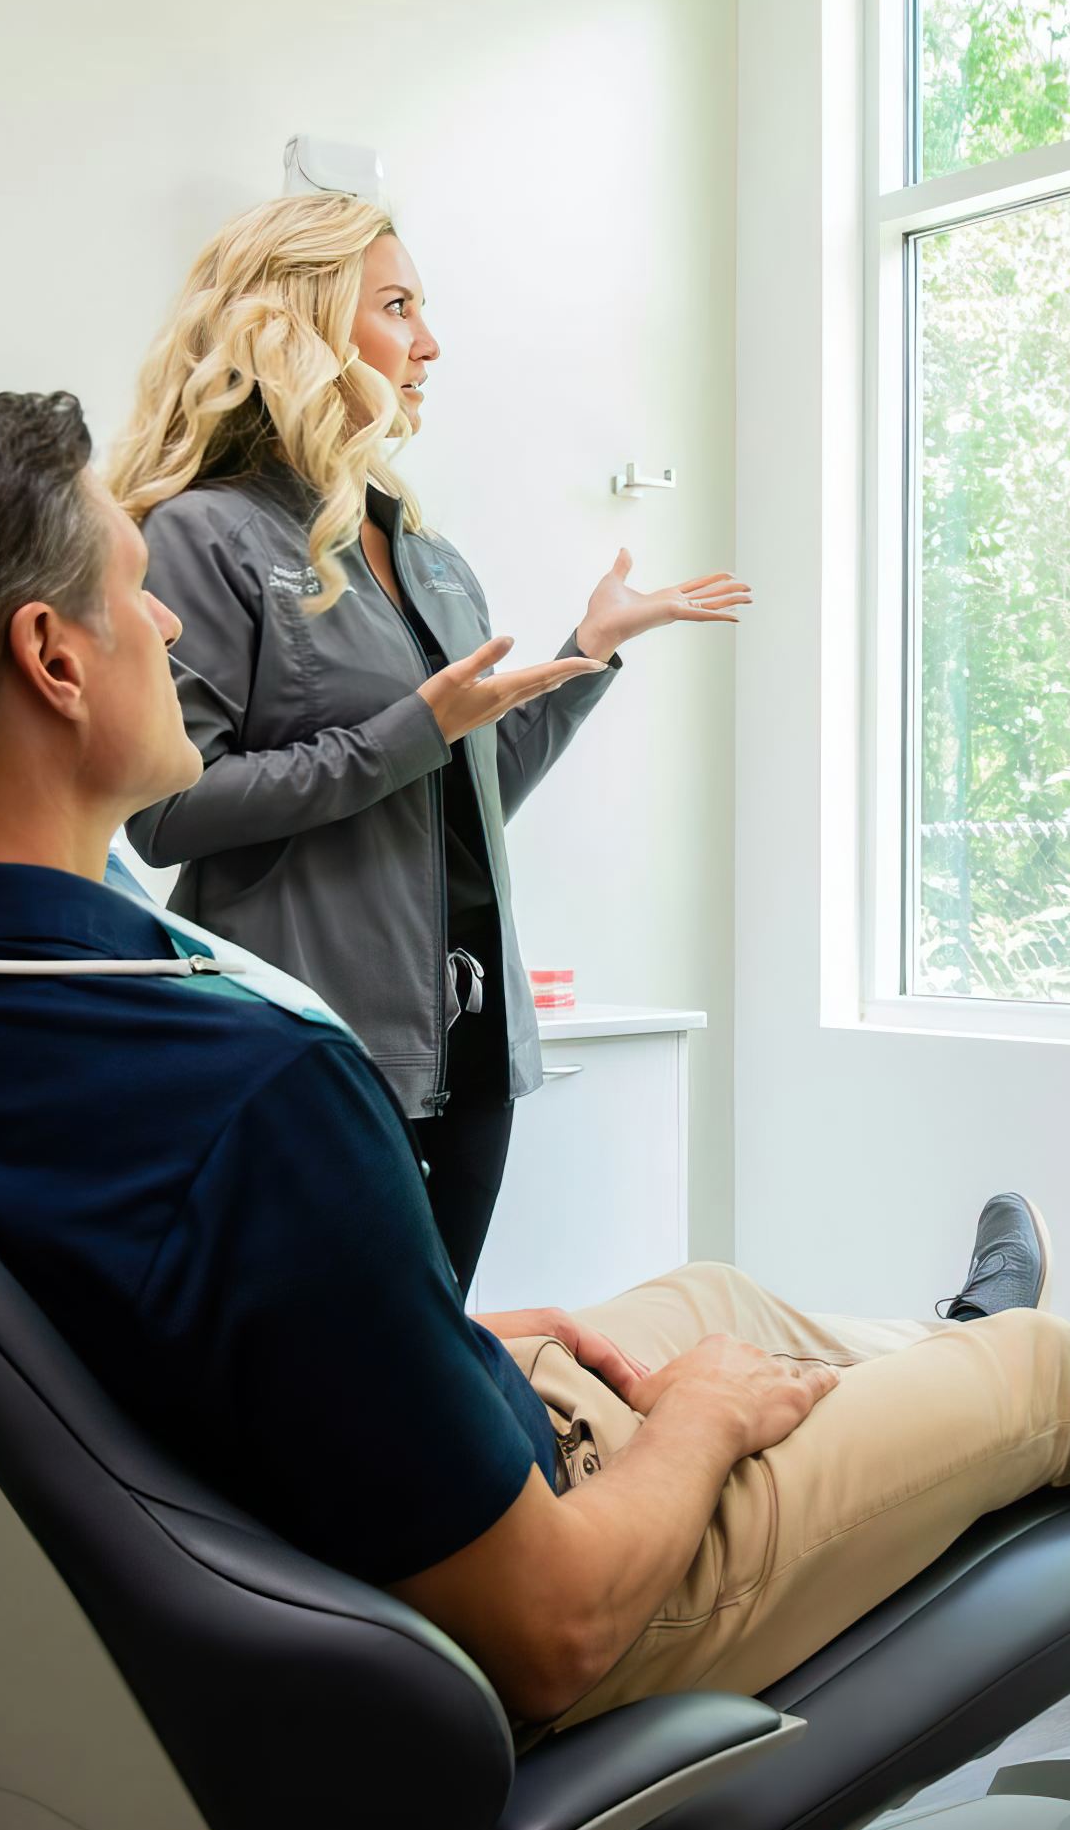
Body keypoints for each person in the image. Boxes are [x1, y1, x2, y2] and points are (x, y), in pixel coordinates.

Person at [0, 395, 1070, 1732]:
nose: (165, 610)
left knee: (714, 1300)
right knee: (1028, 1389)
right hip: (527, 1614)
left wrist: (458, 1335)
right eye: (132, 584)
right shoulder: (245, 1087)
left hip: (345, 1514)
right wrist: (695, 1436)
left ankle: (938, 1354)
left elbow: (183, 1343)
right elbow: (557, 1626)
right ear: (50, 658)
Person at [109, 194, 749, 1289]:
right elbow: (167, 813)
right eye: (397, 306)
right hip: (316, 1052)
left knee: (427, 1373)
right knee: (345, 1397)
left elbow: (469, 787)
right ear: (300, 328)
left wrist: (587, 653)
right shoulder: (199, 532)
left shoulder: (426, 550)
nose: (429, 342)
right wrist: (412, 730)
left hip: (474, 1052)